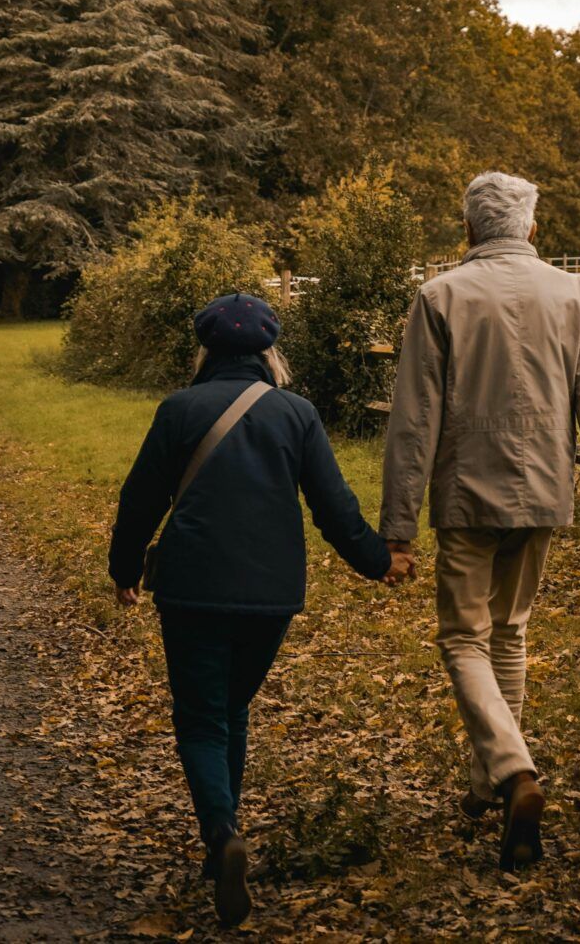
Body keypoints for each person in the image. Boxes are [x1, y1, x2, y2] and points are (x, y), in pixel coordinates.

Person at [108, 291, 409, 927]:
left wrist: (125, 568)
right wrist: (378, 562)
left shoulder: (179, 409)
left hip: (191, 587)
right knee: (233, 706)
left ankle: (221, 835)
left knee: (199, 717)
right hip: (271, 595)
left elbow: (140, 500)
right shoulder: (296, 414)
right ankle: (227, 835)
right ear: (270, 352)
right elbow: (334, 507)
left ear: (206, 349)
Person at [379, 171, 580, 872]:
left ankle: (513, 772)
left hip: (468, 496)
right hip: (545, 492)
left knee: (464, 638)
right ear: (530, 228)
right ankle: (487, 783)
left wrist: (399, 530)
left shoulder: (440, 296)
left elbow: (413, 424)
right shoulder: (572, 293)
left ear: (467, 229)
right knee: (512, 631)